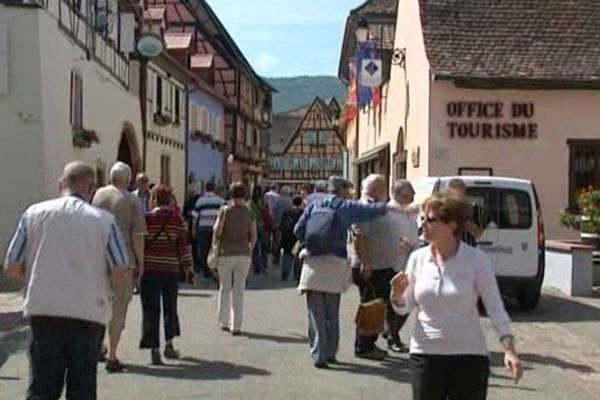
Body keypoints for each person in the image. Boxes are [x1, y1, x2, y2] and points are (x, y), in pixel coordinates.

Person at [4, 161, 129, 399]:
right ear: (91, 188)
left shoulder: (34, 214)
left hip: (45, 311)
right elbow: (120, 268)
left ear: (61, 184)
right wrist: (98, 277)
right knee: (82, 389)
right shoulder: (104, 221)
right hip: (88, 314)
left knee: (42, 388)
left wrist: (35, 277)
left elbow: (11, 265)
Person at [390, 193, 523, 400]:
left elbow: (495, 308)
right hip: (426, 354)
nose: (422, 224)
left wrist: (510, 350)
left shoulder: (476, 260)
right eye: (422, 218)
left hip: (469, 356)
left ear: (452, 225)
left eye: (430, 220)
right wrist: (397, 296)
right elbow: (405, 307)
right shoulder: (417, 258)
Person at [294, 176, 401, 368]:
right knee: (331, 312)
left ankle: (318, 354)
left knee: (315, 313)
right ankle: (331, 353)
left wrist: (309, 243)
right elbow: (368, 210)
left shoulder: (314, 206)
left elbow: (298, 229)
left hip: (313, 264)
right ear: (342, 190)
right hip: (335, 264)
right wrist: (390, 206)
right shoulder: (344, 206)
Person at [352, 176, 420, 361]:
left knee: (380, 306)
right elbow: (360, 238)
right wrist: (366, 263)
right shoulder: (366, 207)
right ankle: (364, 346)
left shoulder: (376, 205)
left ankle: (370, 342)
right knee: (371, 307)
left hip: (382, 266)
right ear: (376, 189)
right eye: (383, 187)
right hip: (373, 267)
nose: (386, 191)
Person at [92, 162, 147, 373]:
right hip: (122, 258)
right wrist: (141, 263)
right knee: (119, 307)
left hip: (98, 256)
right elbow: (137, 236)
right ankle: (112, 354)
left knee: (98, 302)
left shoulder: (97, 196)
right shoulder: (132, 201)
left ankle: (98, 346)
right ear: (128, 179)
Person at [140, 185, 192, 365]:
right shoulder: (177, 220)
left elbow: (140, 244)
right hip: (170, 269)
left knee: (150, 309)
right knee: (170, 307)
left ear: (153, 199)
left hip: (149, 269)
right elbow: (183, 247)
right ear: (170, 200)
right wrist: (187, 267)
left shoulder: (146, 219)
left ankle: (154, 350)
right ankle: (169, 344)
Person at [213, 182, 257, 334]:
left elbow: (217, 231)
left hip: (226, 252)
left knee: (224, 287)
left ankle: (223, 321)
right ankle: (236, 324)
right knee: (239, 288)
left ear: (230, 194)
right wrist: (250, 249)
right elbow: (253, 234)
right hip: (243, 253)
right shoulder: (249, 212)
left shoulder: (225, 210)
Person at [191, 182, 225, 279]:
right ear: (214, 189)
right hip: (216, 228)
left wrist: (193, 229)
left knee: (203, 250)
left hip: (203, 228)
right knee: (215, 249)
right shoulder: (220, 201)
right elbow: (225, 216)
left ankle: (206, 270)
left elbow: (195, 217)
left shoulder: (200, 201)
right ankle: (214, 269)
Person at [446, 178, 483, 246]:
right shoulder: (443, 210)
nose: (458, 199)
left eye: (460, 195)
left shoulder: (472, 208)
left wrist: (462, 220)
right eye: (454, 196)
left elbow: (478, 234)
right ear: (449, 195)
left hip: (468, 247)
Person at [279, 195, 304, 281]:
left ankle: (285, 272)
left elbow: (281, 224)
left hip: (286, 236)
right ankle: (297, 275)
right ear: (300, 203)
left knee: (286, 254)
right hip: (297, 237)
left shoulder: (287, 211)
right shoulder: (302, 212)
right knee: (297, 256)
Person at [248, 185, 272, 274]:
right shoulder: (263, 202)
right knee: (264, 247)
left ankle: (256, 267)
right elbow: (267, 212)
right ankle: (264, 266)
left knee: (255, 248)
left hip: (253, 226)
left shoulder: (250, 203)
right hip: (263, 226)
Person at [264, 183, 285, 264]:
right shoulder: (278, 197)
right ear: (276, 188)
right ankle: (275, 255)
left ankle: (267, 254)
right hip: (276, 219)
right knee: (276, 239)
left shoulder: (266, 195)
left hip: (267, 219)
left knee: (267, 237)